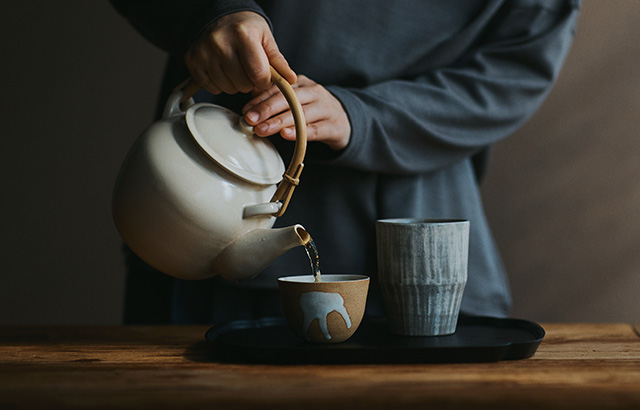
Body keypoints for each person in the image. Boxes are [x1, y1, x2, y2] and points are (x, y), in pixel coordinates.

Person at [111, 0, 580, 324]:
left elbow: (516, 66)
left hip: (414, 254)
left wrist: (362, 117)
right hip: (203, 217)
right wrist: (209, 12)